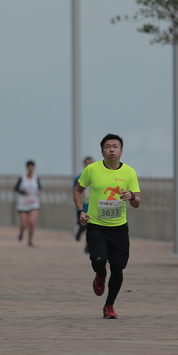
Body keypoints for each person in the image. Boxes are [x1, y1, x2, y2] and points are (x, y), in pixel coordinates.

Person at [73, 134, 141, 319]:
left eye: (115, 147)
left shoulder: (129, 172)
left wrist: (132, 197)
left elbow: (137, 203)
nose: (111, 150)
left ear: (121, 151)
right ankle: (100, 275)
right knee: (99, 260)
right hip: (96, 225)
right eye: (107, 147)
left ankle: (109, 305)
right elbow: (78, 190)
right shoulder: (92, 169)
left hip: (119, 228)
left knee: (118, 268)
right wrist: (80, 211)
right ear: (102, 151)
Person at [14, 160, 42, 247]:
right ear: (27, 168)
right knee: (24, 224)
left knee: (32, 222)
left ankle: (30, 240)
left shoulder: (36, 178)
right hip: (23, 204)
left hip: (33, 204)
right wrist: (23, 192)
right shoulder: (22, 178)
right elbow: (16, 188)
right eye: (29, 167)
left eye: (32, 167)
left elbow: (40, 188)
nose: (30, 168)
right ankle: (21, 232)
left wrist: (38, 192)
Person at [73, 156, 94, 251]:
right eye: (87, 163)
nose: (89, 165)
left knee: (90, 227)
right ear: (84, 165)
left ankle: (88, 246)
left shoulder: (96, 177)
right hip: (82, 206)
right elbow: (75, 191)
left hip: (92, 206)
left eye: (91, 163)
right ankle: (80, 231)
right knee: (83, 225)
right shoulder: (79, 177)